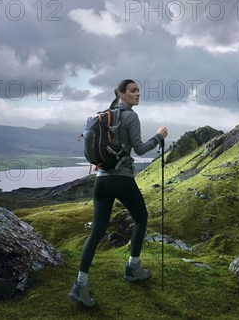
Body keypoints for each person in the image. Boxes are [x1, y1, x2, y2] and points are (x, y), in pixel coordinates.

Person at [69, 79, 168, 307]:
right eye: (132, 91)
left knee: (96, 232)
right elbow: (140, 148)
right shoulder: (130, 116)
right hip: (121, 178)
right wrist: (159, 136)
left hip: (101, 180)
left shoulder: (106, 116)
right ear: (121, 94)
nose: (137, 94)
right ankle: (133, 268)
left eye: (138, 90)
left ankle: (79, 285)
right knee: (141, 218)